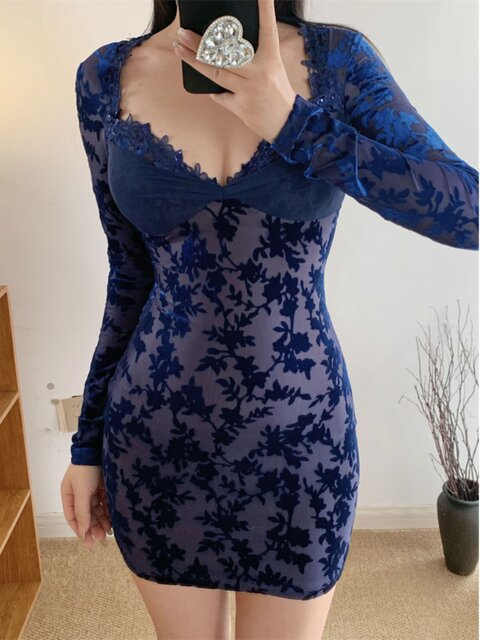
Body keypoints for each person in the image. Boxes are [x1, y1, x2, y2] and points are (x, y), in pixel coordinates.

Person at [60, 0, 479, 638]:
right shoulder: (104, 78)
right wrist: (87, 443)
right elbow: (128, 276)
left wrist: (292, 122)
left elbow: (468, 211)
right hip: (156, 440)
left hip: (303, 442)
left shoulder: (338, 62)